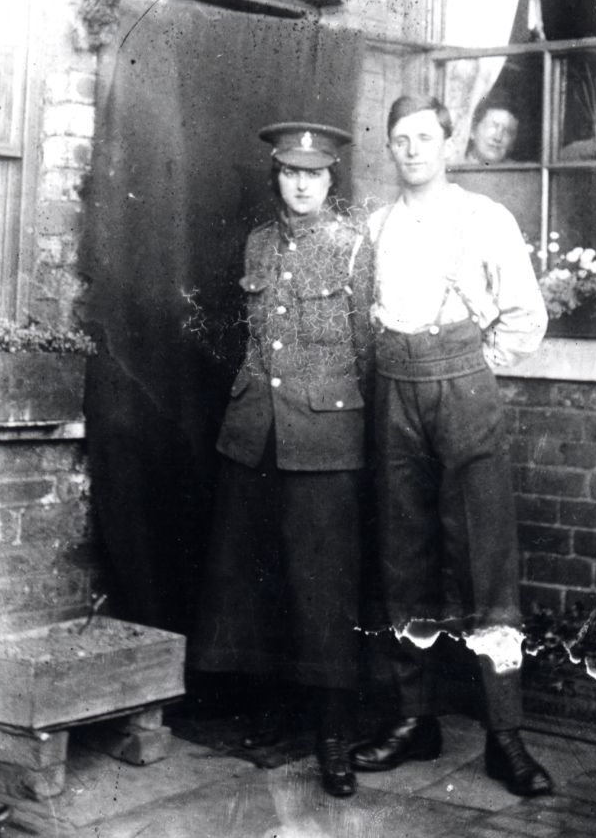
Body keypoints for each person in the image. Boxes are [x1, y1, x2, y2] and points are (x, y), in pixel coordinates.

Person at [350, 94, 553, 798]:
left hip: (464, 387)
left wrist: (474, 366)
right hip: (395, 391)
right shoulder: (376, 226)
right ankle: (415, 718)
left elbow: (527, 313)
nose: (411, 149)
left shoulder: (483, 218)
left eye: (424, 137)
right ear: (391, 148)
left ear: (447, 143)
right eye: (399, 138)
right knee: (402, 556)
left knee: (484, 558)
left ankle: (505, 734)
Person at [190, 122, 372, 799]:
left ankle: (332, 737)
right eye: (290, 173)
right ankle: (270, 715)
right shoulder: (259, 243)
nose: (301, 183)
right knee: (253, 578)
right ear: (277, 177)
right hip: (253, 435)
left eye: (314, 173)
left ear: (331, 180)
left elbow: (366, 350)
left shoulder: (354, 249)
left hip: (324, 442)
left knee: (323, 588)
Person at [465, 95, 520, 164]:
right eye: (493, 127)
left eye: (507, 131)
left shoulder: (518, 173)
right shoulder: (453, 168)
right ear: (473, 130)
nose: (498, 137)